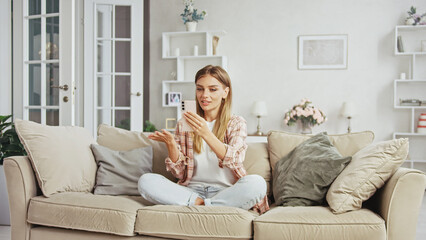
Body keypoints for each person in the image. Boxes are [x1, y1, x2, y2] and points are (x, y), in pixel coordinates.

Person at [138, 65, 269, 214]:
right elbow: (179, 174)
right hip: (191, 192)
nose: (204, 95)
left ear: (225, 92)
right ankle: (206, 206)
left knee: (257, 183)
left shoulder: (236, 123)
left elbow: (235, 159)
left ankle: (203, 206)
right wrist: (171, 144)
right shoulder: (185, 123)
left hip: (226, 192)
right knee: (146, 181)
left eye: (212, 89)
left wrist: (206, 133)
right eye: (200, 89)